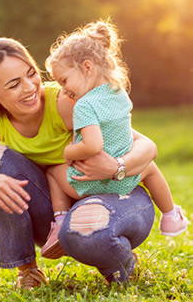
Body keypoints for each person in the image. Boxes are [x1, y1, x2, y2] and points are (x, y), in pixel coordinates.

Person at [0, 36, 158, 288]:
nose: (30, 87)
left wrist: (116, 167)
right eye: (14, 84)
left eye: (31, 74)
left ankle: (120, 263)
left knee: (88, 226)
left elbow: (147, 146)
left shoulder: (68, 102)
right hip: (59, 213)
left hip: (119, 197)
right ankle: (28, 271)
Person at [41, 20, 188, 259]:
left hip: (89, 184)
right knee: (150, 168)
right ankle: (170, 215)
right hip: (127, 178)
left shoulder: (85, 105)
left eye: (64, 80)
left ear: (87, 67)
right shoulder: (118, 92)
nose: (63, 89)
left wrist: (69, 152)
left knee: (52, 173)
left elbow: (93, 146)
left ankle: (60, 222)